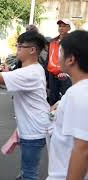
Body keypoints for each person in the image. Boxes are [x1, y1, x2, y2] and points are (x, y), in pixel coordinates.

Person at [0, 31, 52, 180]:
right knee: (27, 171)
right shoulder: (30, 70)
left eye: (20, 47)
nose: (17, 50)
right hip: (33, 126)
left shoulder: (30, 72)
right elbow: (13, 85)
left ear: (32, 50)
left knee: (30, 173)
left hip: (33, 130)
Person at [47, 30, 88, 180]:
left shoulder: (79, 93)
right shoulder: (76, 92)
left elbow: (82, 149)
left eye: (60, 52)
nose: (57, 57)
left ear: (70, 59)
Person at [47, 19, 72, 106]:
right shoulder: (53, 41)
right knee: (52, 99)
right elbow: (49, 58)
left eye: (64, 26)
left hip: (65, 75)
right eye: (60, 26)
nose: (61, 28)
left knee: (65, 100)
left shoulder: (72, 42)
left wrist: (67, 73)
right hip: (52, 74)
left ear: (69, 28)